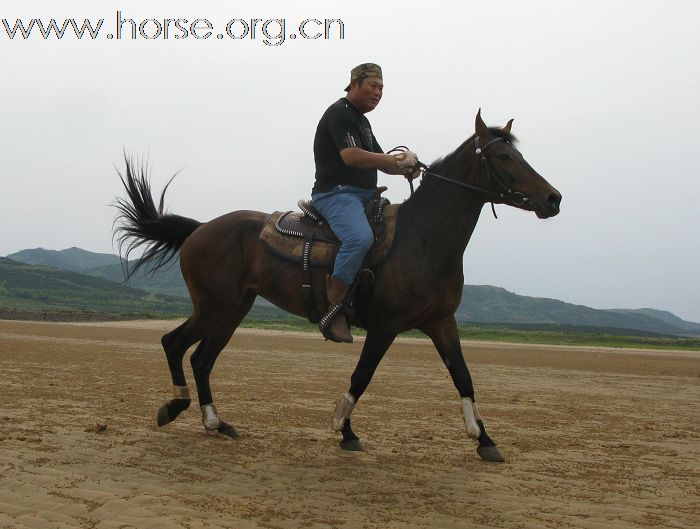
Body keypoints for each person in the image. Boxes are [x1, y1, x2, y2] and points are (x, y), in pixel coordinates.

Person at [311, 63, 420, 343]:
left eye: (382, 88)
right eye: (373, 86)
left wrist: (406, 168)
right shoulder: (339, 113)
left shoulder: (362, 121)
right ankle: (333, 309)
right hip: (336, 194)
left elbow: (382, 163)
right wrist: (394, 160)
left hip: (364, 195)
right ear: (354, 84)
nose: (378, 93)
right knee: (359, 239)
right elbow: (351, 156)